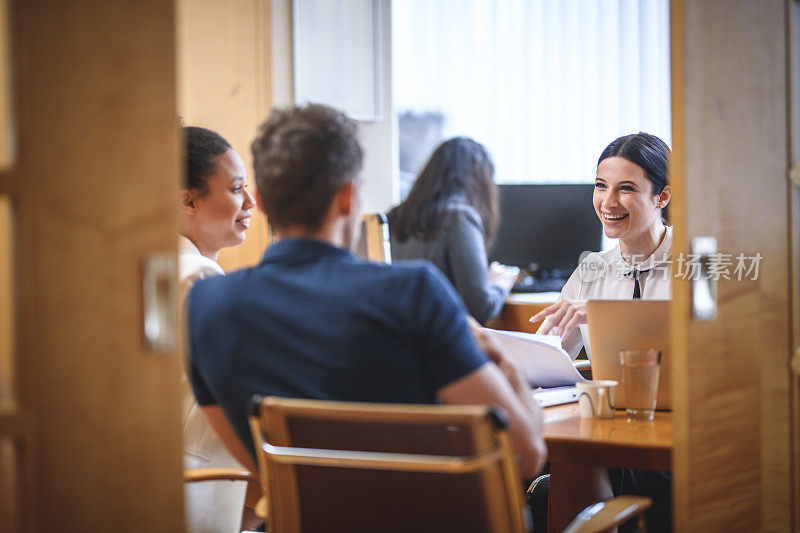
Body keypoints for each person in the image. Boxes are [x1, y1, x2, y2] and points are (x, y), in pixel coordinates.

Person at [186, 105, 546, 481]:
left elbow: (262, 466)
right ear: (347, 195)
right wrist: (503, 362)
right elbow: (525, 455)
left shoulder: (205, 305)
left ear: (259, 201)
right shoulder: (414, 293)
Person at [531, 132, 672, 532]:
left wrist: (600, 314)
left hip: (681, 431)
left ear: (662, 197)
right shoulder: (591, 269)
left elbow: (698, 342)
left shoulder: (698, 261)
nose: (608, 203)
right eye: (600, 186)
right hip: (610, 430)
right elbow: (547, 354)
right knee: (573, 453)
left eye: (626, 189)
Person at [179, 126, 256, 533]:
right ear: (189, 201)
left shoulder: (171, 265)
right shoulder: (198, 277)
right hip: (195, 481)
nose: (250, 202)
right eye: (236, 189)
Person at [388, 137, 519, 324]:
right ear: (480, 182)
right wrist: (500, 284)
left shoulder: (394, 216)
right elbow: (481, 307)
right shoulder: (460, 217)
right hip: (440, 343)